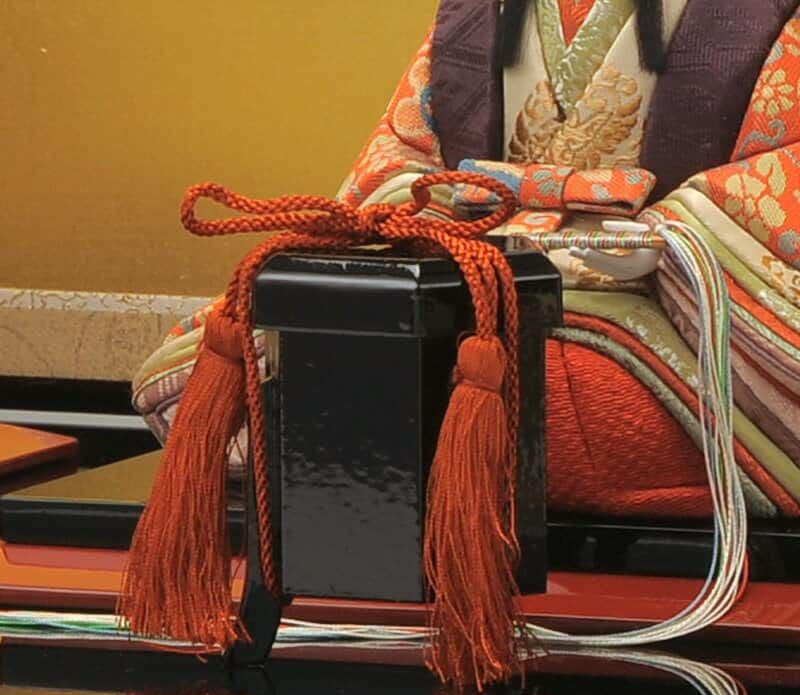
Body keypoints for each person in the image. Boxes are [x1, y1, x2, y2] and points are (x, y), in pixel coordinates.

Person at [134, 0, 800, 522]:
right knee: (231, 375)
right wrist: (451, 213)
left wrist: (657, 237)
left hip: (653, 317)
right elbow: (401, 162)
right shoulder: (486, 10)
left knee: (533, 403)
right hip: (474, 281)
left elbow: (779, 178)